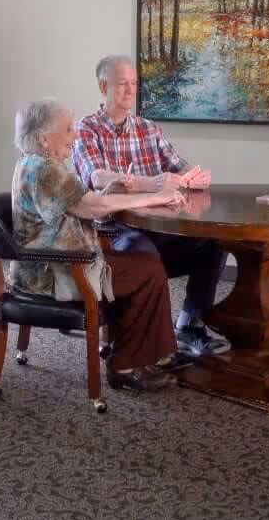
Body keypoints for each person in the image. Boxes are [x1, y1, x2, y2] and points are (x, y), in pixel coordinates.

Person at [11, 98, 187, 391]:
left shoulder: (34, 164)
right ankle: (125, 365)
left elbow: (85, 202)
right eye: (68, 129)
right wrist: (158, 195)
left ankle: (131, 352)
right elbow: (91, 209)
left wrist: (110, 190)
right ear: (44, 139)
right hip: (53, 273)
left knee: (139, 261)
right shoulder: (45, 169)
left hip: (51, 263)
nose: (75, 135)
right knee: (148, 269)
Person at [71, 55, 228, 357]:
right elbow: (96, 177)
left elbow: (180, 167)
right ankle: (142, 340)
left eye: (134, 84)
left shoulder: (148, 128)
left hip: (159, 225)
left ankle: (190, 323)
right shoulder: (87, 128)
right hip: (113, 230)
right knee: (144, 252)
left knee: (213, 243)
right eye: (122, 84)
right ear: (103, 86)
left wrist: (193, 176)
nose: (130, 90)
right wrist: (152, 183)